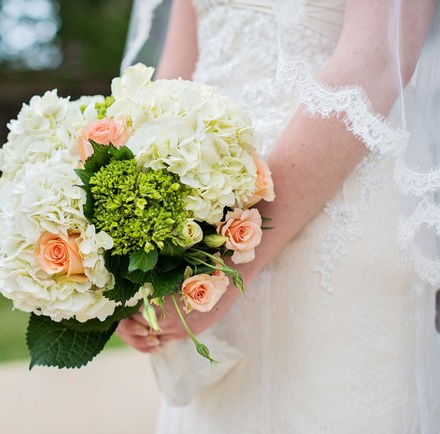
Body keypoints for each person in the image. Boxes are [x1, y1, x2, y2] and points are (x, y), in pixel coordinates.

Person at [116, 0, 440, 432]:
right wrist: (127, 259)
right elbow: (169, 82)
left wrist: (228, 268)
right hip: (202, 220)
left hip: (334, 196)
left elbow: (378, 58)